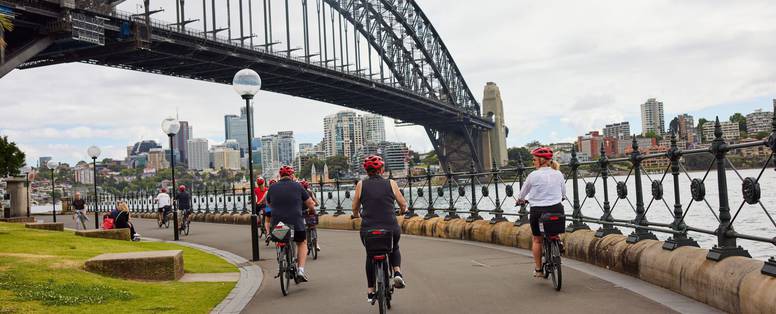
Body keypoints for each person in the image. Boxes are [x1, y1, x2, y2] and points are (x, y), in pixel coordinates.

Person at [352, 155, 409, 303]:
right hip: (390, 227)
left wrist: (356, 215)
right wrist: (403, 211)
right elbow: (403, 204)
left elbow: (355, 207)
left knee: (370, 255)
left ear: (367, 171)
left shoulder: (360, 185)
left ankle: (370, 291)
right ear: (382, 169)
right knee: (394, 247)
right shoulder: (391, 183)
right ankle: (397, 272)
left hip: (368, 229)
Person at [516, 147, 566, 278]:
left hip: (538, 211)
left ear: (540, 160)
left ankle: (538, 270)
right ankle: (557, 241)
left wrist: (520, 200)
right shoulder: (558, 174)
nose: (533, 162)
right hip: (556, 208)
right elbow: (563, 193)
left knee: (537, 239)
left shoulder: (533, 175)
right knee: (554, 229)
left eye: (534, 159)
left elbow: (522, 193)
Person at [266, 165, 316, 282]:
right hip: (296, 222)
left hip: (278, 223)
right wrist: (312, 211)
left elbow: (268, 204)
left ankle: (281, 258)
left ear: (280, 176)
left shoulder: (272, 188)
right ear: (292, 175)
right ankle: (300, 271)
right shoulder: (298, 186)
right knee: (302, 242)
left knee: (280, 239)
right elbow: (310, 203)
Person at [300, 179, 321, 251]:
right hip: (311, 212)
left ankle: (306, 244)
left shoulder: (298, 194)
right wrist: (314, 205)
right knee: (313, 226)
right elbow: (316, 203)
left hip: (302, 213)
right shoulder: (310, 192)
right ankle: (316, 243)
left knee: (303, 228)